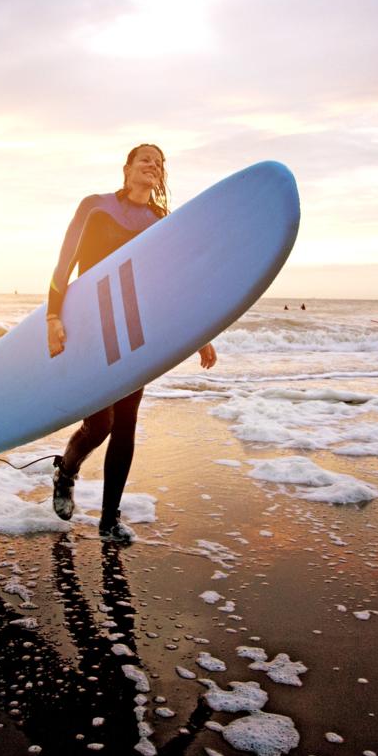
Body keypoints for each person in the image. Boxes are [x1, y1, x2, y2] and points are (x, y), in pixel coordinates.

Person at [46, 144, 216, 543]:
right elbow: (64, 261)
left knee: (127, 423)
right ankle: (65, 472)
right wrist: (54, 315)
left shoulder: (160, 220)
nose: (152, 166)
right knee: (100, 423)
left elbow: (174, 285)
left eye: (159, 163)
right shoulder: (95, 206)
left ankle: (109, 519)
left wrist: (201, 335)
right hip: (92, 326)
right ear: (126, 168)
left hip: (136, 333)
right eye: (145, 159)